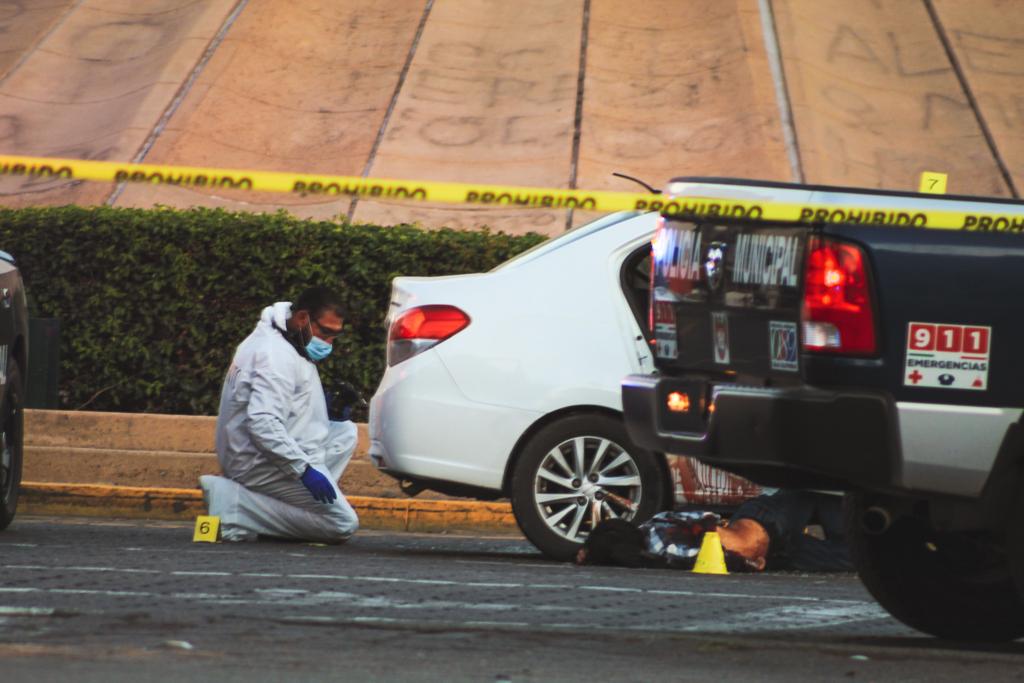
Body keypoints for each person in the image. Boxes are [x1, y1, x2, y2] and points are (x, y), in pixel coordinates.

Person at [199, 286, 359, 543]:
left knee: (344, 433)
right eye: (325, 332)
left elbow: (285, 401)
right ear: (303, 318)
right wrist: (303, 469)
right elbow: (263, 422)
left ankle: (282, 519)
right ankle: (234, 503)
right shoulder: (275, 355)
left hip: (271, 450)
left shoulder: (287, 338)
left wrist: (323, 411)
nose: (329, 343)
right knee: (341, 523)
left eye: (335, 336)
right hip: (257, 462)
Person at [576, 490, 852, 572]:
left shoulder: (658, 537)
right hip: (774, 548)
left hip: (765, 527)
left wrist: (743, 562)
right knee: (853, 557)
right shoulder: (657, 540)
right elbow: (705, 532)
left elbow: (705, 526)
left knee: (815, 491)